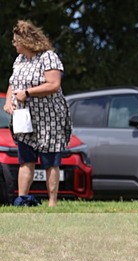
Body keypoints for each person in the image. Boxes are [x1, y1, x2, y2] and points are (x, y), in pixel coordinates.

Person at [3, 20, 72, 207]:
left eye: (16, 40)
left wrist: (27, 93)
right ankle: (22, 199)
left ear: (26, 40)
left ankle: (52, 202)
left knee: (50, 162)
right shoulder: (20, 60)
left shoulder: (48, 57)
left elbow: (53, 84)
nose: (14, 43)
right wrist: (9, 101)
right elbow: (13, 83)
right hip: (25, 119)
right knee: (26, 160)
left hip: (49, 119)